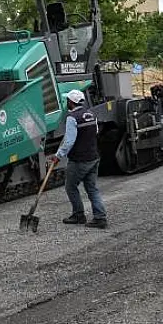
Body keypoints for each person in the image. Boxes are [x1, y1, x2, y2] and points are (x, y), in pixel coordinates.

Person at [49, 89, 107, 229]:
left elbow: (69, 142)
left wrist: (58, 156)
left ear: (71, 102)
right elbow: (96, 132)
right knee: (92, 188)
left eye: (67, 100)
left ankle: (78, 215)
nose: (66, 103)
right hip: (94, 157)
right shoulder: (91, 114)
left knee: (70, 186)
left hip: (79, 160)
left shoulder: (72, 117)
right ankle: (100, 218)